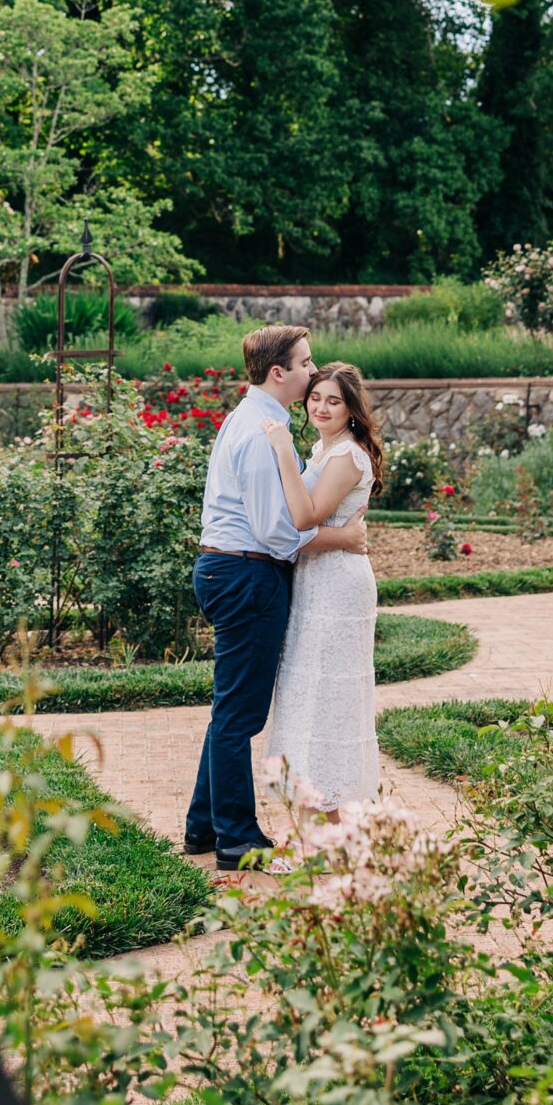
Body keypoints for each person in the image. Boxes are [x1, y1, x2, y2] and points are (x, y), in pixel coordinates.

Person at [183, 326, 371, 868]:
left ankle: (203, 826)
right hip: (247, 575)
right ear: (278, 373)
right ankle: (236, 837)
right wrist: (343, 537)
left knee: (229, 709)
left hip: (230, 570)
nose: (314, 373)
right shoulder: (262, 430)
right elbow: (276, 528)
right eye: (307, 364)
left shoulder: (249, 419)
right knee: (239, 716)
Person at [258, 361, 383, 808]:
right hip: (317, 578)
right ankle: (318, 828)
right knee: (308, 693)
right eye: (315, 398)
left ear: (352, 409)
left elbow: (305, 517)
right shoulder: (324, 449)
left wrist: (279, 448)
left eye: (334, 401)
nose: (322, 407)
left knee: (328, 698)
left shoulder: (348, 454)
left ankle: (331, 823)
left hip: (338, 585)